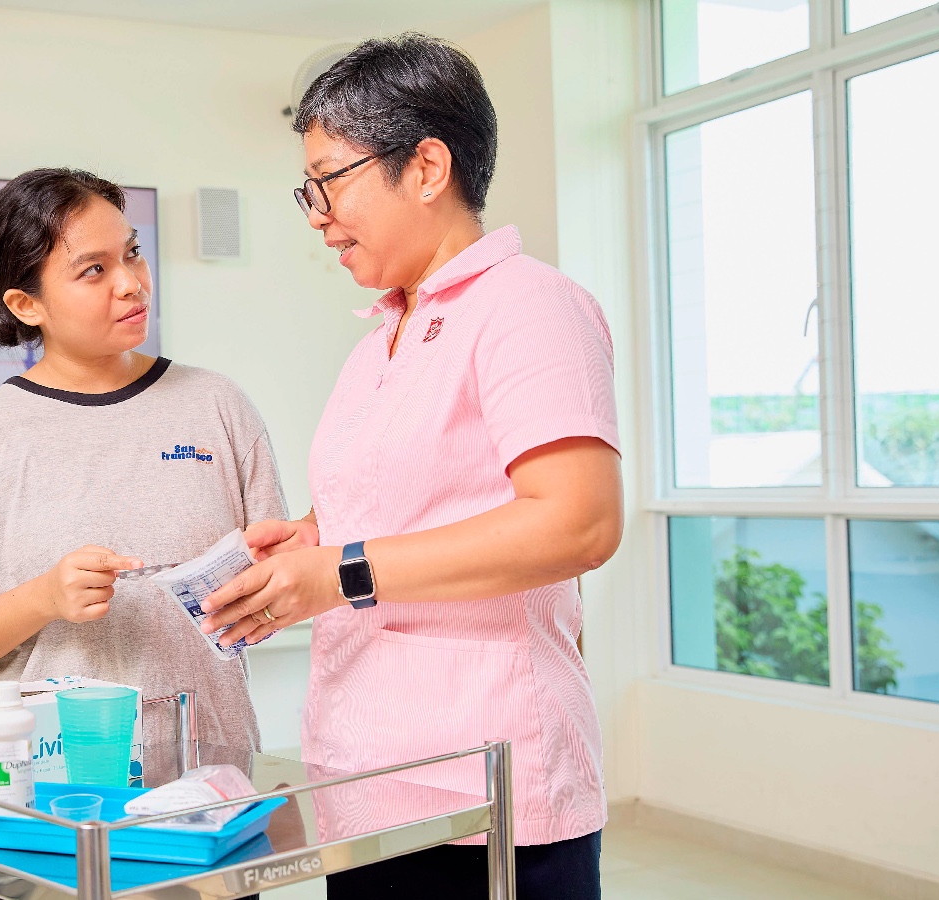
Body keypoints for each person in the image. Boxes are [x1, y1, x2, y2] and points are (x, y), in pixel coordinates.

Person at [198, 35, 622, 900]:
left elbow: (577, 521)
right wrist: (310, 542)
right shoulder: (379, 341)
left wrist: (341, 572)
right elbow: (414, 505)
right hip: (365, 779)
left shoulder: (529, 308)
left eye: (330, 180)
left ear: (426, 167)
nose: (315, 212)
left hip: (485, 790)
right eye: (306, 189)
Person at [0, 168, 287, 762]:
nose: (132, 283)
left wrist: (271, 584)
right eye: (94, 270)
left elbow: (280, 576)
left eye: (133, 254)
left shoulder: (217, 405)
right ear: (25, 303)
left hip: (212, 765)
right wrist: (43, 599)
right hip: (50, 779)